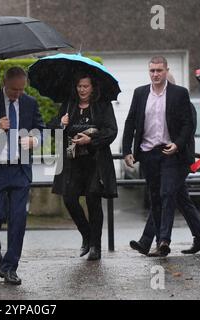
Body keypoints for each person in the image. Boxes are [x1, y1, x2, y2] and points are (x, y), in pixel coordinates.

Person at [0, 67, 45, 285]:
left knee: (18, 220)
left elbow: (40, 128)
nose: (18, 94)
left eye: (22, 89)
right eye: (14, 89)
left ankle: (10, 267)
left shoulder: (30, 103)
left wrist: (35, 140)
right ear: (5, 83)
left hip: (19, 170)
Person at [122, 56, 196, 257]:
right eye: (152, 71)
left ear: (166, 71)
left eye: (159, 70)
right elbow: (130, 122)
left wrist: (178, 144)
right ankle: (196, 236)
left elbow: (188, 124)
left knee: (166, 194)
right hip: (148, 154)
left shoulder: (179, 94)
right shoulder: (140, 93)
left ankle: (163, 240)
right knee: (157, 197)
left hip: (170, 153)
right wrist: (126, 150)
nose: (155, 74)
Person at [51, 74, 118, 261]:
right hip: (73, 162)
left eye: (85, 86)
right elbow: (52, 131)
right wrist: (60, 124)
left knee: (93, 199)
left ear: (93, 87)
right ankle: (87, 235)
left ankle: (96, 246)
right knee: (69, 198)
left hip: (95, 161)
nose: (82, 90)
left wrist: (91, 139)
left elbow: (111, 131)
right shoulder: (68, 106)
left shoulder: (103, 105)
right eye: (79, 86)